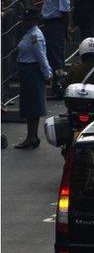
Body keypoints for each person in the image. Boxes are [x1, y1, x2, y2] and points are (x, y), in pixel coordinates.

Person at [15, 8, 52, 149]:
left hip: (32, 71)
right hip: (28, 71)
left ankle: (31, 137)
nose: (24, 22)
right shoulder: (30, 33)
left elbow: (41, 56)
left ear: (34, 20)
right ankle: (31, 136)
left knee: (32, 106)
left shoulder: (35, 36)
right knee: (30, 106)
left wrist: (47, 73)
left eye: (27, 19)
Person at [40, 0, 69, 75]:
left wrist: (65, 30)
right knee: (51, 52)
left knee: (55, 53)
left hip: (55, 24)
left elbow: (65, 11)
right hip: (49, 23)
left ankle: (59, 79)